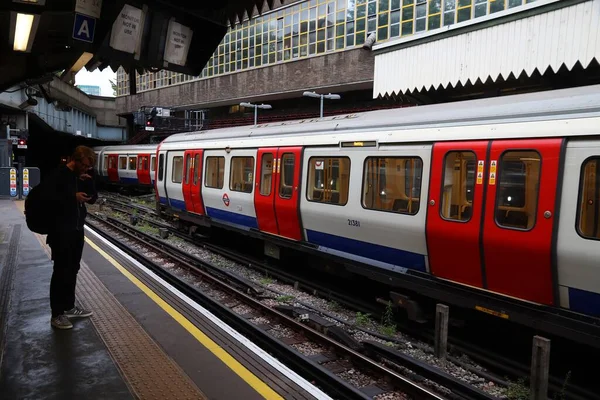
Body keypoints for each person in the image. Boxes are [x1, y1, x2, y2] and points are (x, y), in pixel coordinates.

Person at [45, 145, 98, 330]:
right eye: (84, 166)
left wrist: (88, 183)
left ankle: (69, 307)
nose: (85, 169)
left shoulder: (79, 177)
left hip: (76, 230)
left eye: (88, 167)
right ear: (74, 160)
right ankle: (57, 314)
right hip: (60, 232)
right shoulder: (58, 175)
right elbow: (49, 200)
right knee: (61, 271)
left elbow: (93, 199)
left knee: (73, 269)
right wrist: (72, 197)